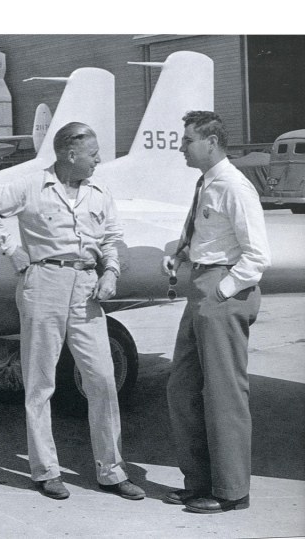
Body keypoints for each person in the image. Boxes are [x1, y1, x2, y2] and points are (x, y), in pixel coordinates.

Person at [0, 122, 145, 501]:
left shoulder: (100, 193)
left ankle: (112, 472)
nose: (98, 160)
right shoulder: (32, 186)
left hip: (86, 287)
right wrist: (10, 249)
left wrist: (111, 272)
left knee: (102, 378)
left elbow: (112, 238)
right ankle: (46, 471)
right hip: (43, 283)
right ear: (70, 153)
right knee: (40, 383)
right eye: (93, 154)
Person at [162, 111, 271, 514]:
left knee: (224, 394)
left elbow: (257, 255)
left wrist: (221, 291)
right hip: (201, 284)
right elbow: (208, 235)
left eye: (187, 140)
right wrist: (181, 255)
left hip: (223, 289)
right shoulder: (206, 183)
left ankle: (232, 491)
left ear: (211, 141)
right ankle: (199, 482)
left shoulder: (235, 187)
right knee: (182, 389)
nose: (181, 147)